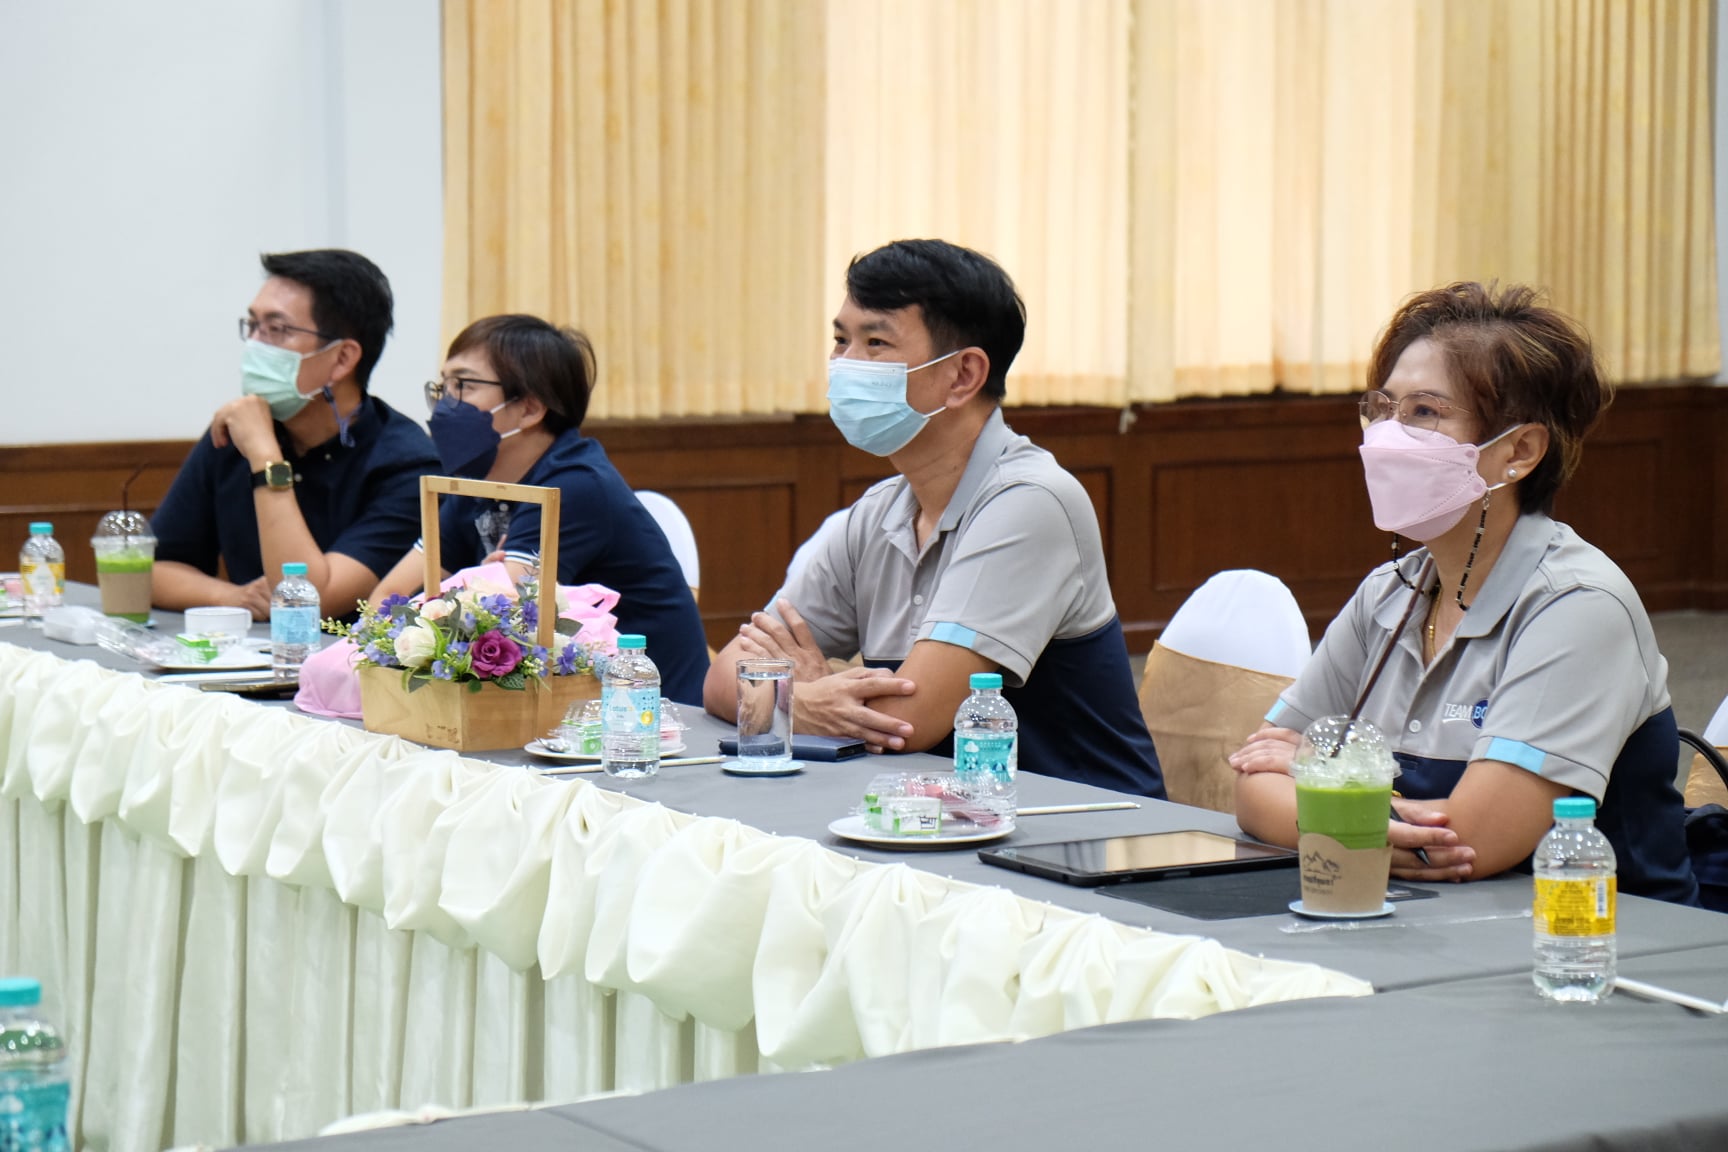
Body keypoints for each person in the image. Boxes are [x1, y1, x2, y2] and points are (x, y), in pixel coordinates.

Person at [1230, 282, 1698, 904]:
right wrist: (1358, 816)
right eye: (1384, 408)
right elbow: (1250, 790)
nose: (1390, 436)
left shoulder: (1579, 605)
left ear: (1519, 452)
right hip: (1422, 925)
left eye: (1425, 413)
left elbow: (1469, 841)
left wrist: (1312, 782)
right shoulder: (1388, 594)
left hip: (1600, 951)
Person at [702, 239, 1164, 798]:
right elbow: (723, 678)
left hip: (1079, 831)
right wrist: (804, 698)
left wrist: (797, 693)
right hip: (937, 818)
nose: (845, 366)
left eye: (875, 343)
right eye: (840, 341)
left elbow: (908, 720)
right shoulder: (876, 514)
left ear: (963, 375)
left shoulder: (1032, 502)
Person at [370, 314, 710, 704]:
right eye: (442, 385)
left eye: (463, 385)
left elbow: (501, 619)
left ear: (530, 408)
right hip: (559, 703)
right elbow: (392, 595)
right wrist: (472, 586)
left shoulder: (574, 485)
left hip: (648, 716)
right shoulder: (477, 478)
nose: (445, 403)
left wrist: (474, 588)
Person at [151, 249, 440, 620]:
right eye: (253, 325)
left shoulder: (407, 464)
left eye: (278, 329)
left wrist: (265, 459)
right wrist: (234, 598)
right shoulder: (237, 432)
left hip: (349, 668)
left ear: (342, 359)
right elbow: (152, 570)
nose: (255, 344)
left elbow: (312, 604)